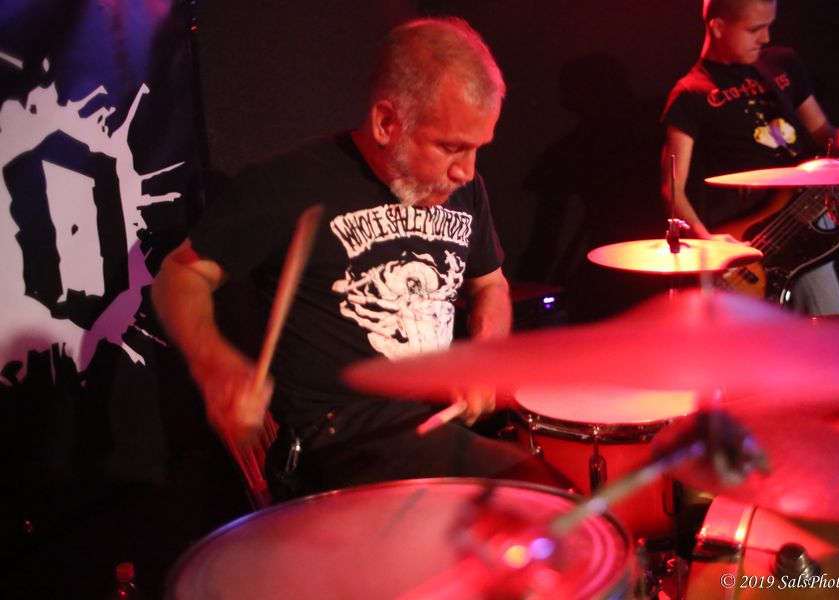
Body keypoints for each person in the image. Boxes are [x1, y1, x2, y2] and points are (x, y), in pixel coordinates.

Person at [151, 17, 565, 501]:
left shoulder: (465, 187)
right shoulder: (291, 184)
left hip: (436, 424)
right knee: (526, 497)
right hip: (339, 444)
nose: (467, 171)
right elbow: (180, 276)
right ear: (386, 122)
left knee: (544, 500)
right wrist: (216, 366)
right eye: (452, 147)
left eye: (477, 149)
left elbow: (491, 285)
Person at [660, 0, 839, 315]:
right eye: (755, 29)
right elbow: (672, 186)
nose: (765, 38)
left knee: (828, 324)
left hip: (805, 211)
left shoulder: (783, 64)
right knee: (827, 322)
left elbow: (828, 137)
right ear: (718, 27)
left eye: (768, 26)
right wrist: (707, 240)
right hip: (752, 234)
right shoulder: (691, 93)